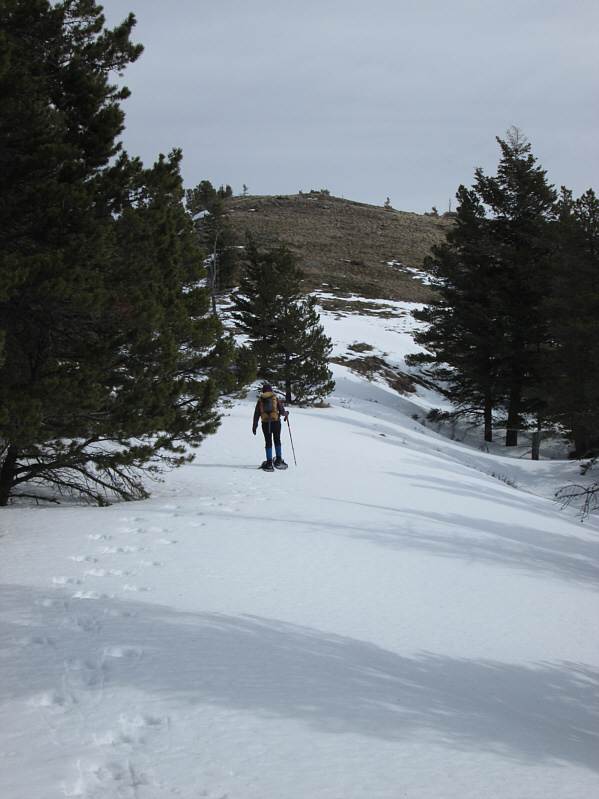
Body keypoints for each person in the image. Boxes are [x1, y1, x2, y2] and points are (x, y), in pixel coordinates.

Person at [252, 382, 289, 471]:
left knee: (268, 441)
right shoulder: (275, 398)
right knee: (277, 440)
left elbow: (256, 414)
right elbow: (282, 411)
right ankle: (278, 460)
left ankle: (269, 463)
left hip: (265, 423)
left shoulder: (260, 400)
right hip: (276, 422)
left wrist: (254, 426)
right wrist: (286, 413)